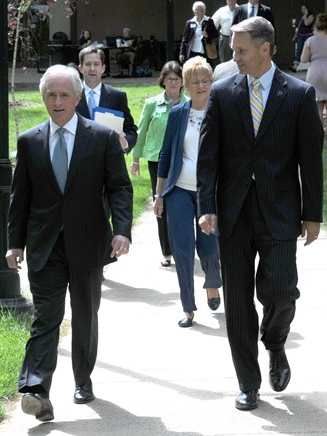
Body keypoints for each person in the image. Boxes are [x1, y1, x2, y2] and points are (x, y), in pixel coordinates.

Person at [197, 17, 323, 411]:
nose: (234, 57)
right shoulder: (222, 92)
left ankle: (275, 343)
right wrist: (207, 207)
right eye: (233, 50)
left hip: (280, 209)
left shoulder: (299, 94)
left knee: (282, 291)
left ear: (265, 48)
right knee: (238, 302)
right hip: (233, 211)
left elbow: (310, 160)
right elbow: (208, 155)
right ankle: (248, 382)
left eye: (240, 50)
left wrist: (313, 214)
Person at [6, 64, 133, 421]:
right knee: (46, 316)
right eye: (51, 95)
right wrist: (14, 243)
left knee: (84, 315)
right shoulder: (29, 141)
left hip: (89, 243)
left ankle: (83, 379)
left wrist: (121, 230)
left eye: (64, 95)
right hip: (45, 244)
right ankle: (35, 389)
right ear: (42, 97)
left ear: (78, 98)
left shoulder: (102, 138)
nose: (57, 101)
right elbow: (21, 198)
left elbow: (120, 188)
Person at [154, 56, 222, 328]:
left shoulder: (220, 112)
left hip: (209, 193)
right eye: (195, 81)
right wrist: (159, 194)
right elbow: (166, 154)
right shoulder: (178, 113)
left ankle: (213, 282)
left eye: (205, 80)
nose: (201, 85)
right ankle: (188, 307)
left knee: (208, 247)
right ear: (185, 85)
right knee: (182, 249)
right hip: (179, 190)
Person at [130, 61, 188, 268]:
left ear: (182, 82)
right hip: (157, 160)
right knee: (161, 204)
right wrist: (135, 160)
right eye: (169, 79)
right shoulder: (152, 103)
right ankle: (167, 251)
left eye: (177, 79)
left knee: (181, 206)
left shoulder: (189, 103)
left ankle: (182, 247)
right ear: (163, 81)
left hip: (183, 161)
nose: (173, 83)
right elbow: (141, 131)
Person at [77, 46, 138, 153]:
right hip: (79, 161)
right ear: (81, 68)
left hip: (109, 161)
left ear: (103, 68)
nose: (92, 68)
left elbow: (130, 130)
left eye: (96, 64)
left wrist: (125, 143)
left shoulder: (118, 96)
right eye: (88, 64)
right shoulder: (71, 96)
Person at [301, 12, 327, 124]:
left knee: (318, 109)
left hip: (315, 72)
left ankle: (319, 135)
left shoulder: (310, 40)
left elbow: (303, 59)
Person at [179, 2, 218, 66]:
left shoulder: (209, 21)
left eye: (200, 9)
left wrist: (208, 35)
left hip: (205, 51)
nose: (197, 11)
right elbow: (184, 39)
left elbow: (216, 35)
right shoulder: (190, 22)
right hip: (192, 51)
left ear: (204, 11)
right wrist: (182, 53)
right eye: (196, 9)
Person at [290, 4, 315, 72]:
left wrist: (305, 16)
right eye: (302, 8)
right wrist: (295, 36)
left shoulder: (311, 16)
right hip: (300, 35)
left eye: (304, 8)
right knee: (299, 50)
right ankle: (295, 66)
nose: (303, 10)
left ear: (307, 9)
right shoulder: (302, 17)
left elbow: (307, 23)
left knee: (309, 50)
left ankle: (312, 67)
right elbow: (299, 27)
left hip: (308, 35)